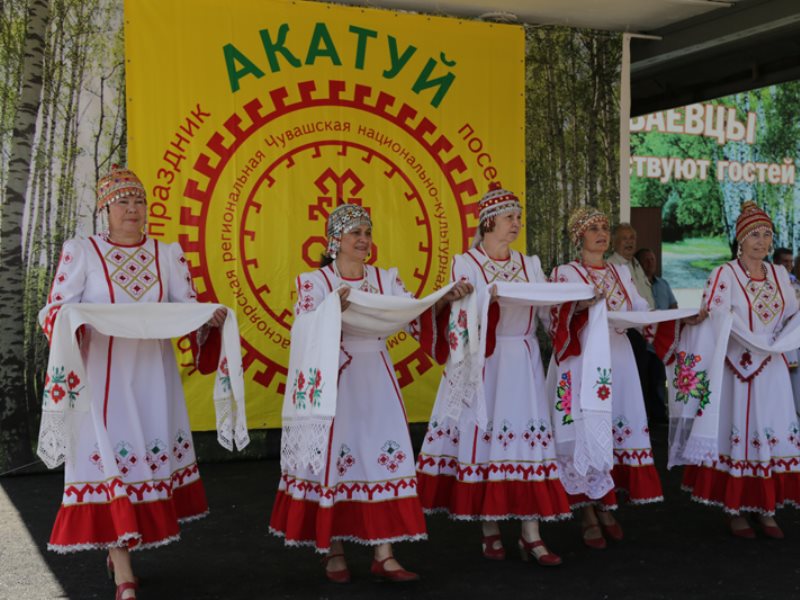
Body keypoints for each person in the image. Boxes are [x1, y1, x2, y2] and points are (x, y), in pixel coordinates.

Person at [38, 166, 227, 600]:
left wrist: (207, 321)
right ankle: (123, 568)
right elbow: (53, 311)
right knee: (110, 463)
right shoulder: (81, 251)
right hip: (101, 377)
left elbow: (187, 308)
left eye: (138, 201)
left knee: (144, 461)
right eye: (122, 202)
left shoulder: (168, 254)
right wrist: (74, 322)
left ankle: (119, 551)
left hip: (151, 377)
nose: (132, 209)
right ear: (105, 209)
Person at [269, 203, 470, 583]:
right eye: (355, 234)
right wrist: (331, 308)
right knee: (335, 459)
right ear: (335, 241)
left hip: (376, 374)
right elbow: (304, 330)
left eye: (367, 233)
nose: (364, 240)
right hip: (332, 382)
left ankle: (385, 552)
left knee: (382, 456)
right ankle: (333, 551)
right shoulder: (314, 282)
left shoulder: (385, 279)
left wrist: (445, 297)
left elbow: (413, 313)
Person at [416, 184, 570, 567]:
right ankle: (489, 530)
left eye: (518, 217)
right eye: (509, 218)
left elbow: (550, 312)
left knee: (527, 444)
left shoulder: (530, 264)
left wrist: (577, 305)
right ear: (488, 222)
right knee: (487, 443)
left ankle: (532, 535)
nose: (516, 224)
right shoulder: (465, 262)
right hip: (482, 362)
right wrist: (480, 297)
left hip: (521, 356)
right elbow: (458, 312)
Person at [682, 202, 800, 537]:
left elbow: (794, 309)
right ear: (740, 240)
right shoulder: (725, 274)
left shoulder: (779, 274)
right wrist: (742, 338)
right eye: (754, 235)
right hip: (737, 367)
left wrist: (779, 339)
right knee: (738, 435)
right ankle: (734, 511)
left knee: (770, 432)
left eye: (766, 235)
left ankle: (766, 509)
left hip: (771, 366)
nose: (761, 242)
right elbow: (715, 316)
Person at [549, 207, 663, 550]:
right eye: (592, 228)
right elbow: (551, 318)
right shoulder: (564, 273)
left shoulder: (621, 271)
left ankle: (606, 503)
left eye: (603, 228)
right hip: (582, 358)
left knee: (612, 425)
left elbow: (641, 310)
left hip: (616, 356)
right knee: (583, 428)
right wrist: (581, 309)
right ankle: (587, 512)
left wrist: (678, 319)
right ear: (578, 236)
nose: (601, 233)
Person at [608, 223, 654, 308]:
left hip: (648, 318)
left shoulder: (636, 263)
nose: (629, 242)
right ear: (614, 243)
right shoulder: (610, 267)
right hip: (629, 319)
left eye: (632, 238)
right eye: (624, 238)